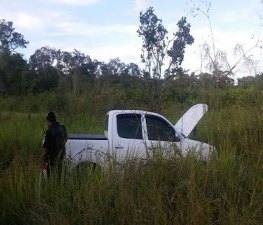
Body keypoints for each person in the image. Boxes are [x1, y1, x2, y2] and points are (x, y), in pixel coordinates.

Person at [41, 112, 67, 178]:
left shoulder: (49, 132)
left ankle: (51, 187)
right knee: (60, 176)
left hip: (51, 160)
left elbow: (44, 149)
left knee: (51, 177)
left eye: (47, 122)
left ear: (49, 121)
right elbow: (65, 139)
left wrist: (41, 158)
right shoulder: (62, 128)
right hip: (61, 157)